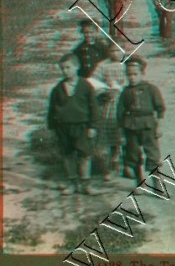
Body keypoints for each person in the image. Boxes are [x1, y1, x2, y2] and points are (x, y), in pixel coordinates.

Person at [47, 54, 100, 195]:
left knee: (84, 155)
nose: (65, 71)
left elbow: (93, 107)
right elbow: (52, 109)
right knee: (67, 155)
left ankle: (85, 184)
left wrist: (92, 126)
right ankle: (72, 183)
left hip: (82, 126)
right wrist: (52, 128)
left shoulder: (86, 86)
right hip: (63, 127)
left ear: (77, 67)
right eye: (62, 68)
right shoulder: (57, 89)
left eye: (68, 67)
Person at [117, 56, 165, 184]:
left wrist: (159, 126)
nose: (132, 77)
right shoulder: (125, 92)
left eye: (135, 74)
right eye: (129, 75)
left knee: (153, 154)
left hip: (148, 125)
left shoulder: (151, 89)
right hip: (131, 127)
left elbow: (160, 109)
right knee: (133, 154)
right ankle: (138, 182)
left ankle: (157, 183)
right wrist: (121, 133)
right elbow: (120, 114)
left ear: (142, 73)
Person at [91, 46, 127, 181]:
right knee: (110, 132)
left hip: (124, 102)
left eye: (118, 50)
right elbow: (94, 83)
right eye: (112, 50)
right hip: (109, 104)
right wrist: (105, 92)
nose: (115, 53)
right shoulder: (102, 66)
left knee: (124, 133)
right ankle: (110, 165)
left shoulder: (127, 64)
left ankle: (124, 164)